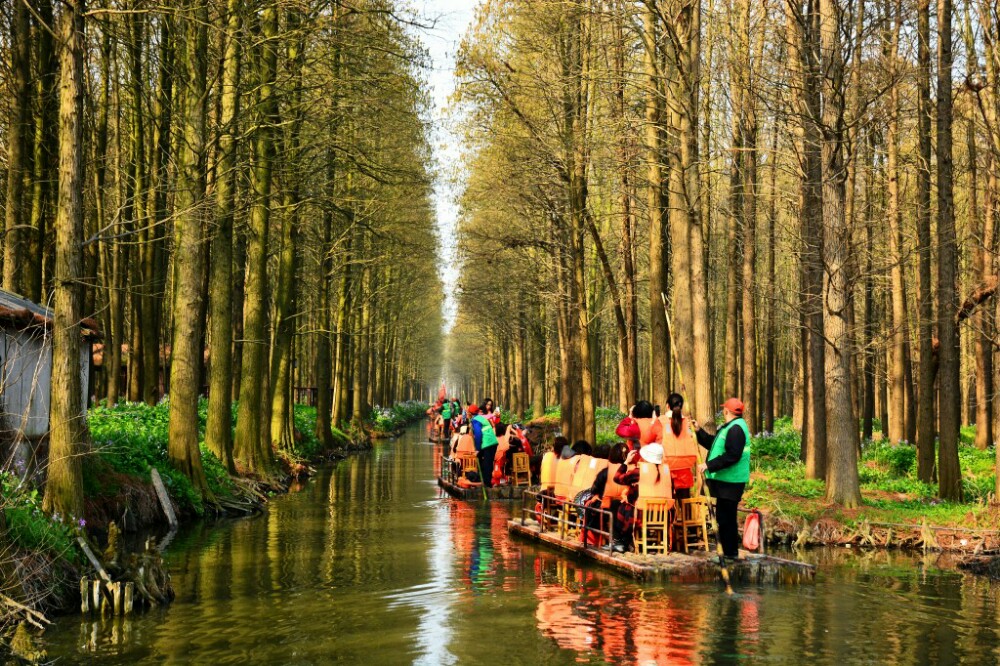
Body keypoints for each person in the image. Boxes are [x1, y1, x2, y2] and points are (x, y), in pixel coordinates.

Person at [693, 398, 751, 560]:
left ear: (726, 411)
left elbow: (732, 455)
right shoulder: (730, 428)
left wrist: (709, 465)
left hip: (731, 482)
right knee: (723, 517)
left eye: (724, 410)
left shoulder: (736, 429)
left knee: (727, 518)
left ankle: (730, 553)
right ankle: (727, 552)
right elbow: (714, 445)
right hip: (727, 481)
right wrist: (699, 432)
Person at [610, 442, 665, 553]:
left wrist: (626, 462)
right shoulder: (667, 472)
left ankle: (619, 541)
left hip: (640, 515)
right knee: (627, 504)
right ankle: (626, 541)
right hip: (661, 515)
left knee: (615, 505)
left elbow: (617, 478)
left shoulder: (638, 473)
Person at [470, 403, 500, 487]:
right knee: (486, 462)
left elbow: (478, 434)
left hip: (487, 443)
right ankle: (484, 480)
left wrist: (478, 449)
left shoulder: (475, 420)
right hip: (492, 442)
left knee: (487, 464)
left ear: (470, 413)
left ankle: (486, 484)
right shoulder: (481, 418)